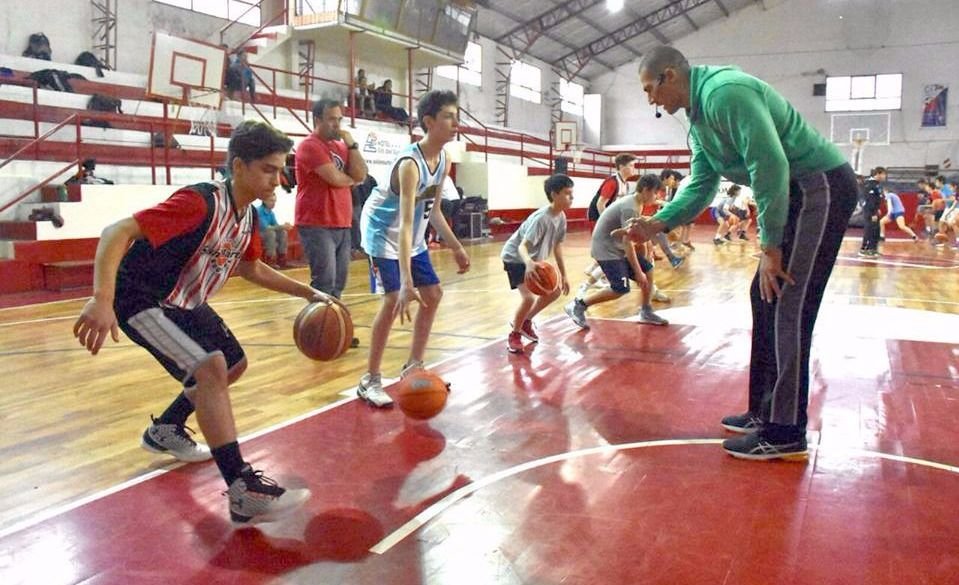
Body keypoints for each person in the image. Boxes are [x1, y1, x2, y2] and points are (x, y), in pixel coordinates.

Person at [71, 120, 331, 523]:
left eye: (281, 170)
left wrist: (308, 292)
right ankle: (243, 489)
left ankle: (168, 428)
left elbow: (253, 270)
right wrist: (101, 298)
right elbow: (116, 231)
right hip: (141, 298)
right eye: (268, 169)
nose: (277, 179)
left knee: (232, 364)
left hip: (185, 302)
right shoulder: (200, 202)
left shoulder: (247, 217)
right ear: (239, 167)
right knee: (210, 368)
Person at [627, 46, 859, 460]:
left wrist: (769, 246)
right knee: (764, 295)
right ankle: (764, 410)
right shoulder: (698, 120)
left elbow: (769, 164)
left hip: (819, 186)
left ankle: (786, 431)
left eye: (650, 89)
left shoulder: (724, 94)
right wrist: (657, 222)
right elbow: (700, 183)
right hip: (796, 191)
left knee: (789, 301)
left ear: (670, 76)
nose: (651, 101)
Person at [356, 90, 470, 407]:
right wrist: (407, 282)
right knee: (393, 299)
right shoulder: (410, 164)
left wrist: (457, 247)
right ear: (429, 122)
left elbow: (433, 212)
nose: (455, 122)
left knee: (433, 295)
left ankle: (413, 366)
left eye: (456, 115)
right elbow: (404, 223)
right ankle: (370, 380)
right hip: (382, 232)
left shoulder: (444, 158)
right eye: (448, 116)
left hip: (412, 234)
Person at [565, 174, 669, 329]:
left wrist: (642, 265)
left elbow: (632, 239)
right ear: (646, 190)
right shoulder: (630, 207)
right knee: (620, 288)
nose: (657, 196)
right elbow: (628, 242)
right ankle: (578, 305)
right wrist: (637, 271)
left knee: (648, 270)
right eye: (655, 193)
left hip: (616, 248)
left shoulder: (636, 203)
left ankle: (646, 311)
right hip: (606, 250)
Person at [295, 98, 368, 301]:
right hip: (316, 223)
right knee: (324, 283)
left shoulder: (342, 147)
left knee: (339, 283)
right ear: (317, 120)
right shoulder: (309, 146)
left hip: (342, 222)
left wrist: (352, 145)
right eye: (331, 119)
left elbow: (361, 175)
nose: (337, 125)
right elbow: (334, 178)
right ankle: (318, 332)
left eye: (339, 119)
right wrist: (350, 179)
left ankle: (335, 330)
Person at [501, 173, 573, 354]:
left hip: (533, 261)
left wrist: (563, 275)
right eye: (567, 193)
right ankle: (514, 334)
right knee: (528, 297)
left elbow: (557, 247)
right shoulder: (542, 218)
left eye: (572, 194)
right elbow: (522, 247)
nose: (571, 198)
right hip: (516, 258)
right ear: (554, 194)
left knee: (555, 291)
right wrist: (529, 264)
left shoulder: (561, 217)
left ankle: (526, 321)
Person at [256, 192, 292, 268]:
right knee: (270, 233)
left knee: (283, 232)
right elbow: (265, 227)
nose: (273, 203)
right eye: (271, 201)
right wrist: (282, 226)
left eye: (274, 201)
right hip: (257, 235)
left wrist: (283, 227)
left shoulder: (271, 213)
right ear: (264, 200)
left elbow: (275, 226)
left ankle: (282, 259)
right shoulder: (259, 211)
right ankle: (270, 260)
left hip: (266, 233)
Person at [859, 167, 886, 257]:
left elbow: (876, 199)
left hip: (874, 210)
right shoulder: (870, 184)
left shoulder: (876, 184)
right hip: (870, 212)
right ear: (878, 174)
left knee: (876, 230)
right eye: (883, 174)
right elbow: (870, 200)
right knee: (869, 229)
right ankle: (864, 248)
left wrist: (877, 209)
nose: (884, 176)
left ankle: (872, 249)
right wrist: (873, 213)